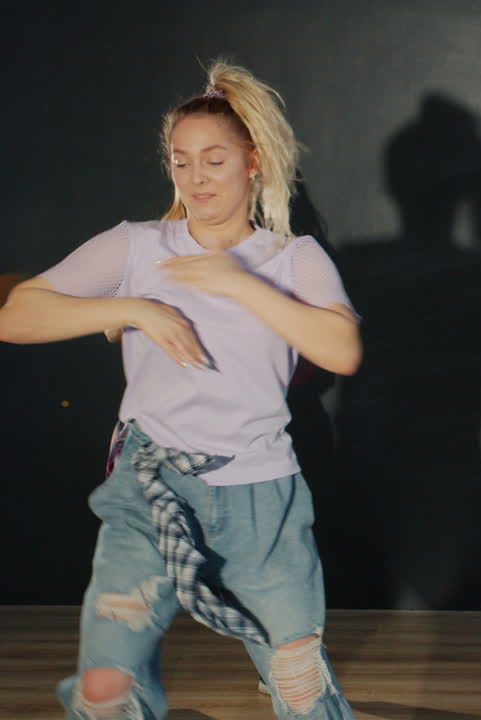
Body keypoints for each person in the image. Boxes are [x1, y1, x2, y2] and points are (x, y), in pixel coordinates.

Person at [0, 60, 360, 719]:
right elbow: (16, 315)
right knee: (105, 689)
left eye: (214, 160)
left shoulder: (290, 258)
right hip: (150, 483)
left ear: (253, 163)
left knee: (300, 684)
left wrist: (239, 282)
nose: (196, 178)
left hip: (259, 497)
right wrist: (131, 309)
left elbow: (341, 349)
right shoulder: (137, 245)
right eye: (182, 161)